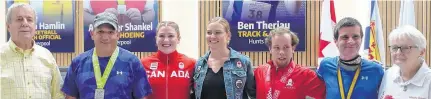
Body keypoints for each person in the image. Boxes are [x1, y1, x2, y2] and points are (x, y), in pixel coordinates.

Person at [61, 12, 152, 99]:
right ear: (92, 34)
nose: (105, 37)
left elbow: (142, 97)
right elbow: (70, 96)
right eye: (100, 32)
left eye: (110, 32)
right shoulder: (78, 63)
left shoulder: (132, 62)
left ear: (118, 35)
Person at [0, 3, 64, 99]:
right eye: (19, 19)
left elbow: (58, 95)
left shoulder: (47, 56)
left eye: (29, 20)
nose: (25, 23)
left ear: (35, 26)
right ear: (8, 26)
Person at [317, 17, 384, 99]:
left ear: (361, 40)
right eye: (345, 37)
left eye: (355, 37)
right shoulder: (326, 65)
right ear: (336, 41)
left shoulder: (376, 70)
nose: (351, 41)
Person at [193, 17, 256, 99]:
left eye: (217, 32)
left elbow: (253, 95)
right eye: (209, 32)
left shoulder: (243, 62)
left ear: (228, 35)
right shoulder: (200, 63)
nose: (212, 36)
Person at [254, 27, 326, 99]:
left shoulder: (307, 75)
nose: (281, 52)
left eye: (286, 47)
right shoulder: (259, 72)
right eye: (276, 47)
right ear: (270, 49)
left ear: (293, 48)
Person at [141, 21, 196, 99]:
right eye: (161, 36)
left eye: (171, 36)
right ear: (156, 39)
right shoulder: (142, 64)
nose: (166, 40)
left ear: (178, 39)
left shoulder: (191, 64)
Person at [378, 25, 431, 99]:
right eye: (395, 48)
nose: (398, 52)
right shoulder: (388, 75)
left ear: (421, 52)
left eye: (405, 48)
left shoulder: (429, 81)